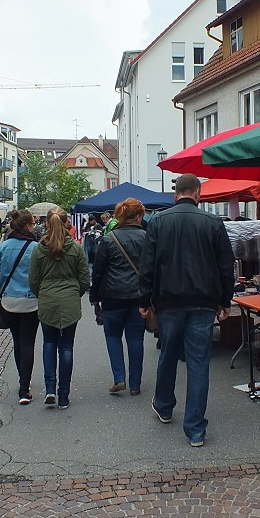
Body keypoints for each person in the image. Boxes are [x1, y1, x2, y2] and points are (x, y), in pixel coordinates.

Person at [139, 174, 235, 448]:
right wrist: (224, 301)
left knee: (168, 355)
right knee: (198, 362)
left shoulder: (158, 222)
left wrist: (144, 300)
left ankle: (165, 406)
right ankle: (195, 429)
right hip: (203, 302)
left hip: (168, 301)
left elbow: (148, 266)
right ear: (198, 193)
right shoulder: (213, 223)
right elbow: (225, 266)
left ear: (175, 194)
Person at [29, 207, 90, 409]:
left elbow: (33, 281)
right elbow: (84, 279)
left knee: (48, 344)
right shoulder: (76, 248)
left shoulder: (39, 249)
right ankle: (64, 395)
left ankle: (50, 390)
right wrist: (74, 293)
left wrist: (43, 293)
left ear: (46, 223)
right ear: (66, 223)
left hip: (47, 300)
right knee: (66, 347)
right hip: (70, 300)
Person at [90, 199, 147, 395]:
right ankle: (135, 384)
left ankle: (119, 377)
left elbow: (98, 271)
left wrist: (94, 295)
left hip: (112, 296)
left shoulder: (109, 239)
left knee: (112, 336)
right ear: (138, 216)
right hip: (138, 296)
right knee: (136, 339)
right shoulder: (147, 238)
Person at [0, 209, 40, 405]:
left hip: (9, 301)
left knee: (17, 342)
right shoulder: (36, 247)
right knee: (28, 343)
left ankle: (23, 382)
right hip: (31, 302)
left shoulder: (5, 246)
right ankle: (24, 387)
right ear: (28, 226)